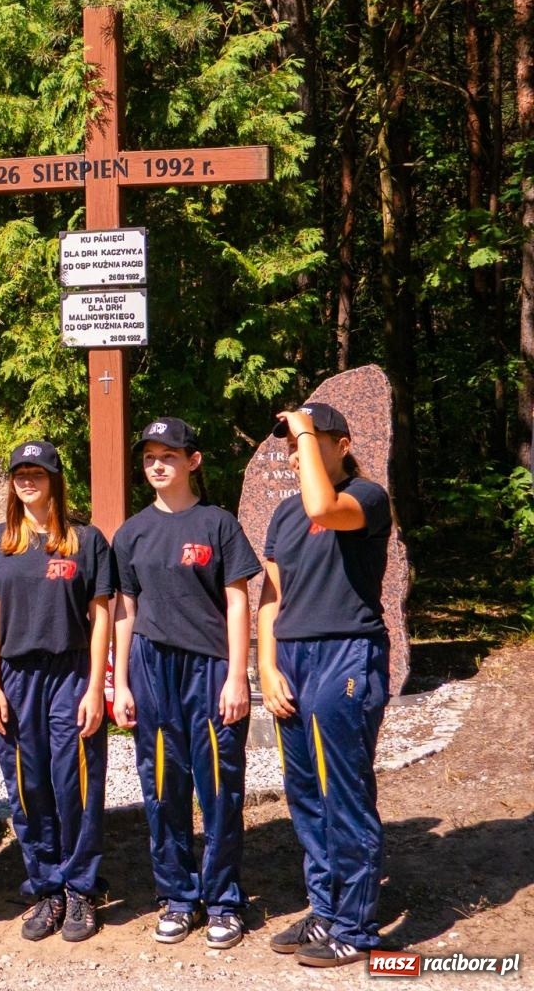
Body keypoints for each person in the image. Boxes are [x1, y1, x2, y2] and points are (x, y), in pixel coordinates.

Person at [111, 419, 259, 949]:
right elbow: (124, 609)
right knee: (162, 786)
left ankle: (223, 900)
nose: (157, 465)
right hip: (152, 669)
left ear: (192, 461)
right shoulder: (131, 532)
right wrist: (120, 681)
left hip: (209, 668)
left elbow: (239, 601)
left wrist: (237, 675)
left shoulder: (218, 524)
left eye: (168, 456)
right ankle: (176, 896)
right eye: (150, 456)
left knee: (219, 787)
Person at [257, 403, 393, 968]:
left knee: (344, 795)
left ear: (342, 444)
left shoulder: (365, 497)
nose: (297, 454)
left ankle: (356, 927)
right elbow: (271, 598)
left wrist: (306, 430)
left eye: (309, 443)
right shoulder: (285, 515)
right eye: (290, 447)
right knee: (306, 793)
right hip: (293, 657)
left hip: (346, 653)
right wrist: (265, 668)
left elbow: (323, 503)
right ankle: (326, 907)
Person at [0, 440, 113, 943]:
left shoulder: (85, 539)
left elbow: (101, 613)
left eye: (37, 471)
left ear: (55, 478)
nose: (27, 480)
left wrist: (95, 685)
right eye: (20, 472)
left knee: (73, 783)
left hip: (70, 672)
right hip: (14, 676)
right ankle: (47, 888)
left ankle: (80, 889)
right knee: (28, 786)